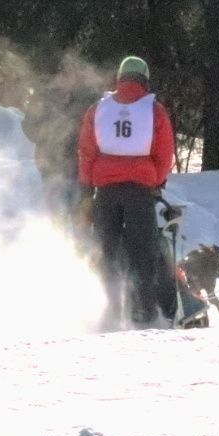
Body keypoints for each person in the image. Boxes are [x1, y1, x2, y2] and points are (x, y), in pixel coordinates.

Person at [77, 56, 178, 329]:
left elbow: (87, 152)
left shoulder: (98, 109)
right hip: (140, 192)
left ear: (120, 78)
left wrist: (87, 189)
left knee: (108, 251)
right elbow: (164, 152)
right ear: (144, 78)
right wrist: (154, 180)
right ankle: (142, 313)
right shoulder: (154, 110)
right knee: (141, 252)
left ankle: (111, 310)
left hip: (106, 192)